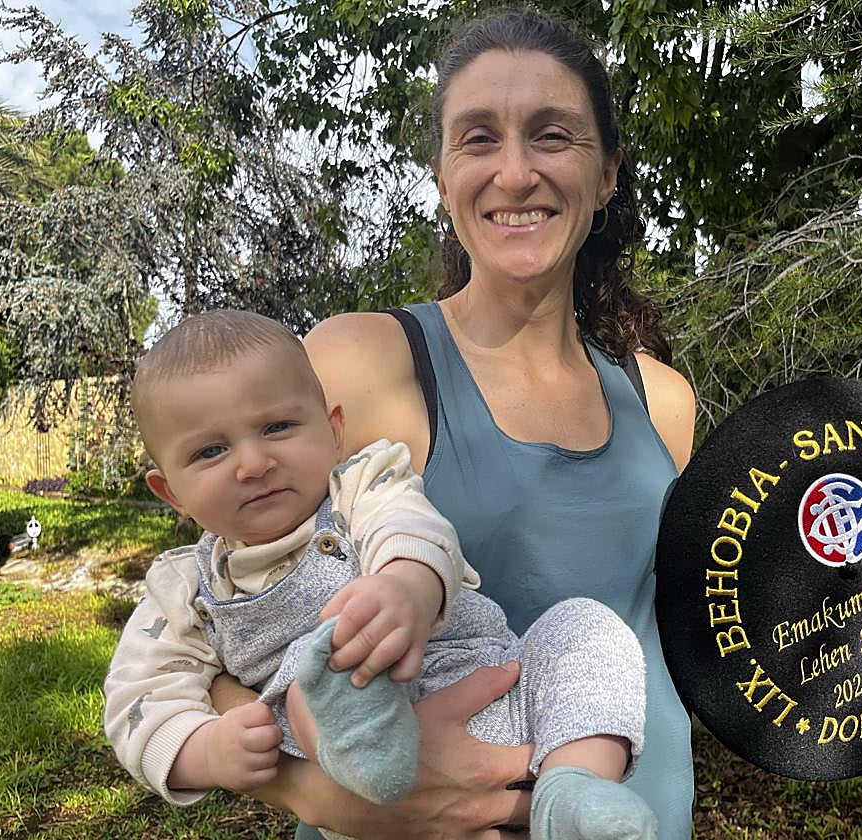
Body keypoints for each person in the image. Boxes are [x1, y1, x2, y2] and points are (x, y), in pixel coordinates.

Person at [215, 9, 698, 838]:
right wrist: (345, 803)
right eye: (479, 139)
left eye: (552, 136)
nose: (515, 173)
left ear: (607, 175)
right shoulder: (363, 364)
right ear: (442, 179)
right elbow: (208, 631)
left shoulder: (664, 402)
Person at [104, 309, 659, 840]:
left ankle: (573, 789)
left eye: (277, 426)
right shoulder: (184, 589)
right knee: (320, 656)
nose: (253, 464)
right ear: (171, 492)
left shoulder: (363, 489)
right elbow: (139, 700)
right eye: (210, 451)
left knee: (584, 624)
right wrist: (207, 751)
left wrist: (406, 587)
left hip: (511, 698)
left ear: (333, 431)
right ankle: (367, 740)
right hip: (369, 789)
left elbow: (411, 527)